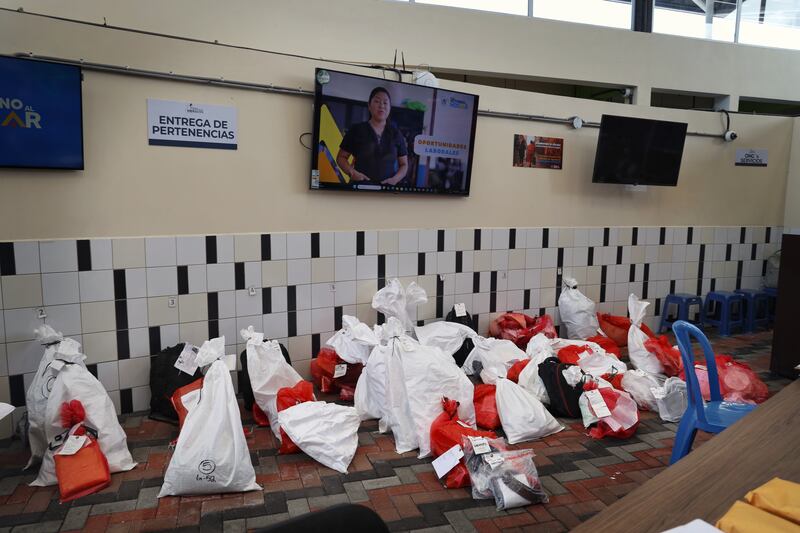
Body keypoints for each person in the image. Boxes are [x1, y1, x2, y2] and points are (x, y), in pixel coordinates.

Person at [336, 87, 409, 186]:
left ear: (390, 108)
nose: (381, 106)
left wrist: (395, 179)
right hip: (359, 189)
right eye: (377, 101)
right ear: (369, 106)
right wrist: (352, 173)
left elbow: (404, 164)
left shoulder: (396, 133)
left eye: (385, 103)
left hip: (387, 192)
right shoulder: (356, 130)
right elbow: (341, 157)